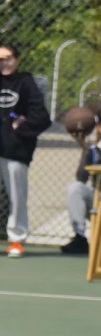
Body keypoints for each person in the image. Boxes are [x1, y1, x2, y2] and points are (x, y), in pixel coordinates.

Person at [0, 44, 51, 257]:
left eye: (9, 58)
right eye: (0, 60)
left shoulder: (25, 82)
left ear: (17, 60)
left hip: (16, 151)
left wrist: (22, 129)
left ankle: (16, 239)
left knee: (17, 197)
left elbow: (41, 116)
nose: (5, 63)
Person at [63, 108, 100, 255]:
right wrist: (84, 149)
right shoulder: (94, 150)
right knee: (75, 188)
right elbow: (81, 178)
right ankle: (80, 237)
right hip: (98, 201)